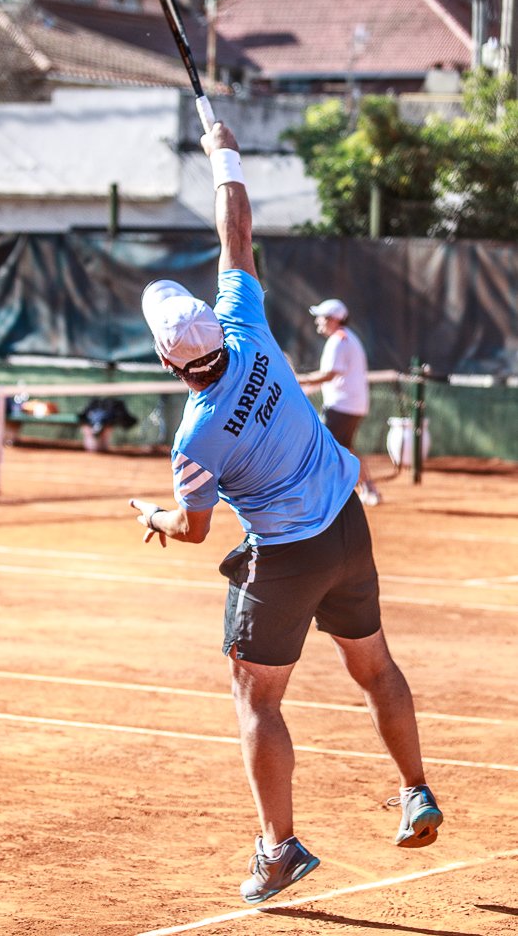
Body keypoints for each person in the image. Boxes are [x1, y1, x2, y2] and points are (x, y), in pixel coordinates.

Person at [128, 119, 442, 906]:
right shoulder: (248, 324)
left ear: (170, 363)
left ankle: (279, 848)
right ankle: (416, 791)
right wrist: (221, 152)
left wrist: (153, 515)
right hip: (347, 525)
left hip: (289, 554)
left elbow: (195, 527)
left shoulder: (193, 436)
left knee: (255, 694)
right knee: (375, 668)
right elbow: (237, 228)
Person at [299, 299, 381, 506]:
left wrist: (300, 380)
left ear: (333, 319)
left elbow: (329, 375)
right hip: (351, 405)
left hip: (342, 406)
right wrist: (306, 387)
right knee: (345, 448)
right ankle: (369, 488)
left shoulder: (338, 340)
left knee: (323, 447)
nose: (318, 322)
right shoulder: (348, 339)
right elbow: (335, 376)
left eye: (321, 318)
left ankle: (323, 495)